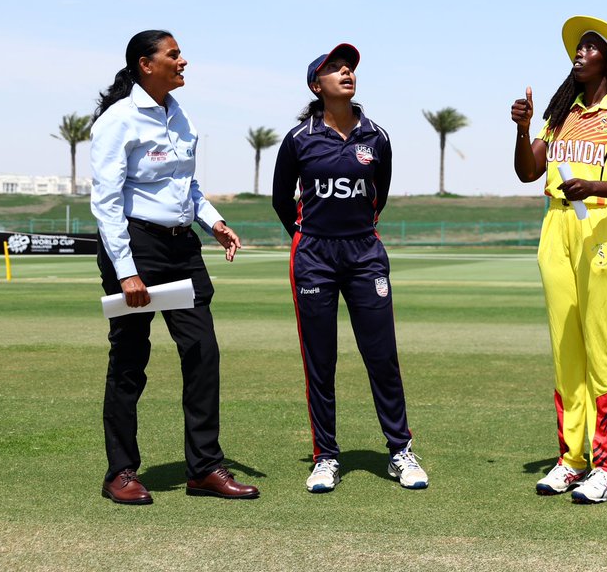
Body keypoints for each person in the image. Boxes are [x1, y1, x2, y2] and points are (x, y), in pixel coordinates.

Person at [90, 29, 258, 505]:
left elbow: (186, 186)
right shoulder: (117, 121)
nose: (183, 62)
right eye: (174, 54)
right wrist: (126, 270)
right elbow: (105, 203)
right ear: (146, 64)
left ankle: (204, 468)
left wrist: (214, 222)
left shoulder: (179, 115)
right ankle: (120, 472)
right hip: (135, 245)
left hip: (182, 248)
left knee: (203, 352)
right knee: (129, 361)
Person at [510, 15, 607, 505]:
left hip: (603, 226)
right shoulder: (561, 113)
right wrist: (525, 127)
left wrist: (593, 186)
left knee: (600, 349)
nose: (580, 51)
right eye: (579, 46)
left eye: (591, 46)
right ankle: (572, 459)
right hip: (557, 227)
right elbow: (529, 171)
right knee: (565, 349)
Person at [272, 44, 428, 494]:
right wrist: (307, 236)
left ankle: (400, 450)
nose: (346, 72)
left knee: (382, 357)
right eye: (334, 68)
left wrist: (356, 233)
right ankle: (326, 457)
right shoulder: (298, 139)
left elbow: (380, 194)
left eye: (350, 68)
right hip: (314, 256)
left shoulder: (377, 137)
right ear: (315, 85)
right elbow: (283, 201)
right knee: (320, 361)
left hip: (364, 254)